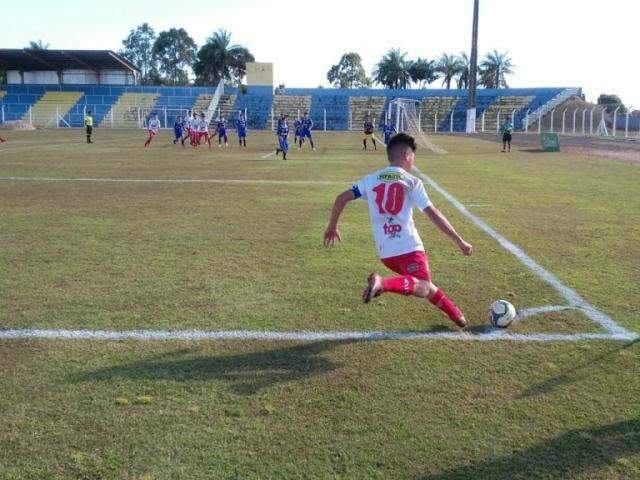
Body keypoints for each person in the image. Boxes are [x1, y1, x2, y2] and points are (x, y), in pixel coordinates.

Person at [324, 133, 473, 328]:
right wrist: (459, 240)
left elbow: (341, 198)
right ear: (406, 154)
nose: (414, 159)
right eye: (413, 154)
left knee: (420, 283)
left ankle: (456, 315)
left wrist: (332, 226)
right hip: (408, 247)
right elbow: (432, 213)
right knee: (423, 285)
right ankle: (382, 283)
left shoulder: (370, 179)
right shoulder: (412, 182)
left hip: (386, 253)